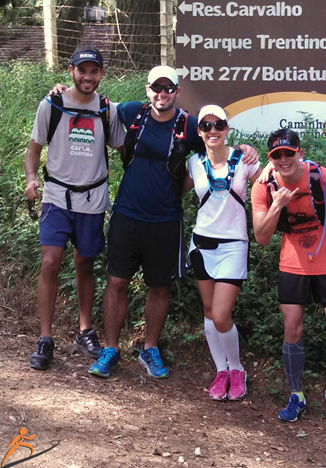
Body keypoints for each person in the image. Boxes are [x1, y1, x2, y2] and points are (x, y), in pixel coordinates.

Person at [49, 66, 258, 380]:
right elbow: (94, 104)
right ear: (148, 90)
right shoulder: (133, 113)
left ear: (177, 91)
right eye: (157, 88)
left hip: (166, 219)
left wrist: (243, 150)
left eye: (169, 89)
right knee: (116, 282)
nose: (162, 94)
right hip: (127, 214)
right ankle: (110, 348)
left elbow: (217, 147)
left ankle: (150, 348)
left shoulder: (189, 125)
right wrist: (63, 90)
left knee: (159, 287)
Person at [24, 47, 124, 370]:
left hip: (92, 200)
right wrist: (30, 179)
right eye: (82, 71)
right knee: (50, 262)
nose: (88, 77)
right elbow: (34, 148)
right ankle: (45, 338)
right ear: (71, 71)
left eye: (94, 71)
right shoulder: (51, 105)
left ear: (101, 75)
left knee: (85, 263)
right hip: (56, 196)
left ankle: (84, 331)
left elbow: (125, 148)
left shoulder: (107, 110)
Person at [252, 128, 326, 424]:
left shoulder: (323, 178)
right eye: (276, 155)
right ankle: (296, 394)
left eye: (288, 153)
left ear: (300, 152)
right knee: (292, 330)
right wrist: (277, 205)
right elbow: (261, 237)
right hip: (292, 264)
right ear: (271, 158)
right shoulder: (263, 187)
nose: (284, 159)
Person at [183, 105, 260, 401]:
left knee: (221, 313)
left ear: (227, 128)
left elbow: (269, 185)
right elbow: (175, 188)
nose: (213, 130)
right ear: (199, 132)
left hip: (233, 246)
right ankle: (221, 370)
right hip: (202, 245)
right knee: (208, 310)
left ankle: (237, 369)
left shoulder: (244, 160)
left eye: (219, 125)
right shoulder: (194, 162)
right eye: (206, 125)